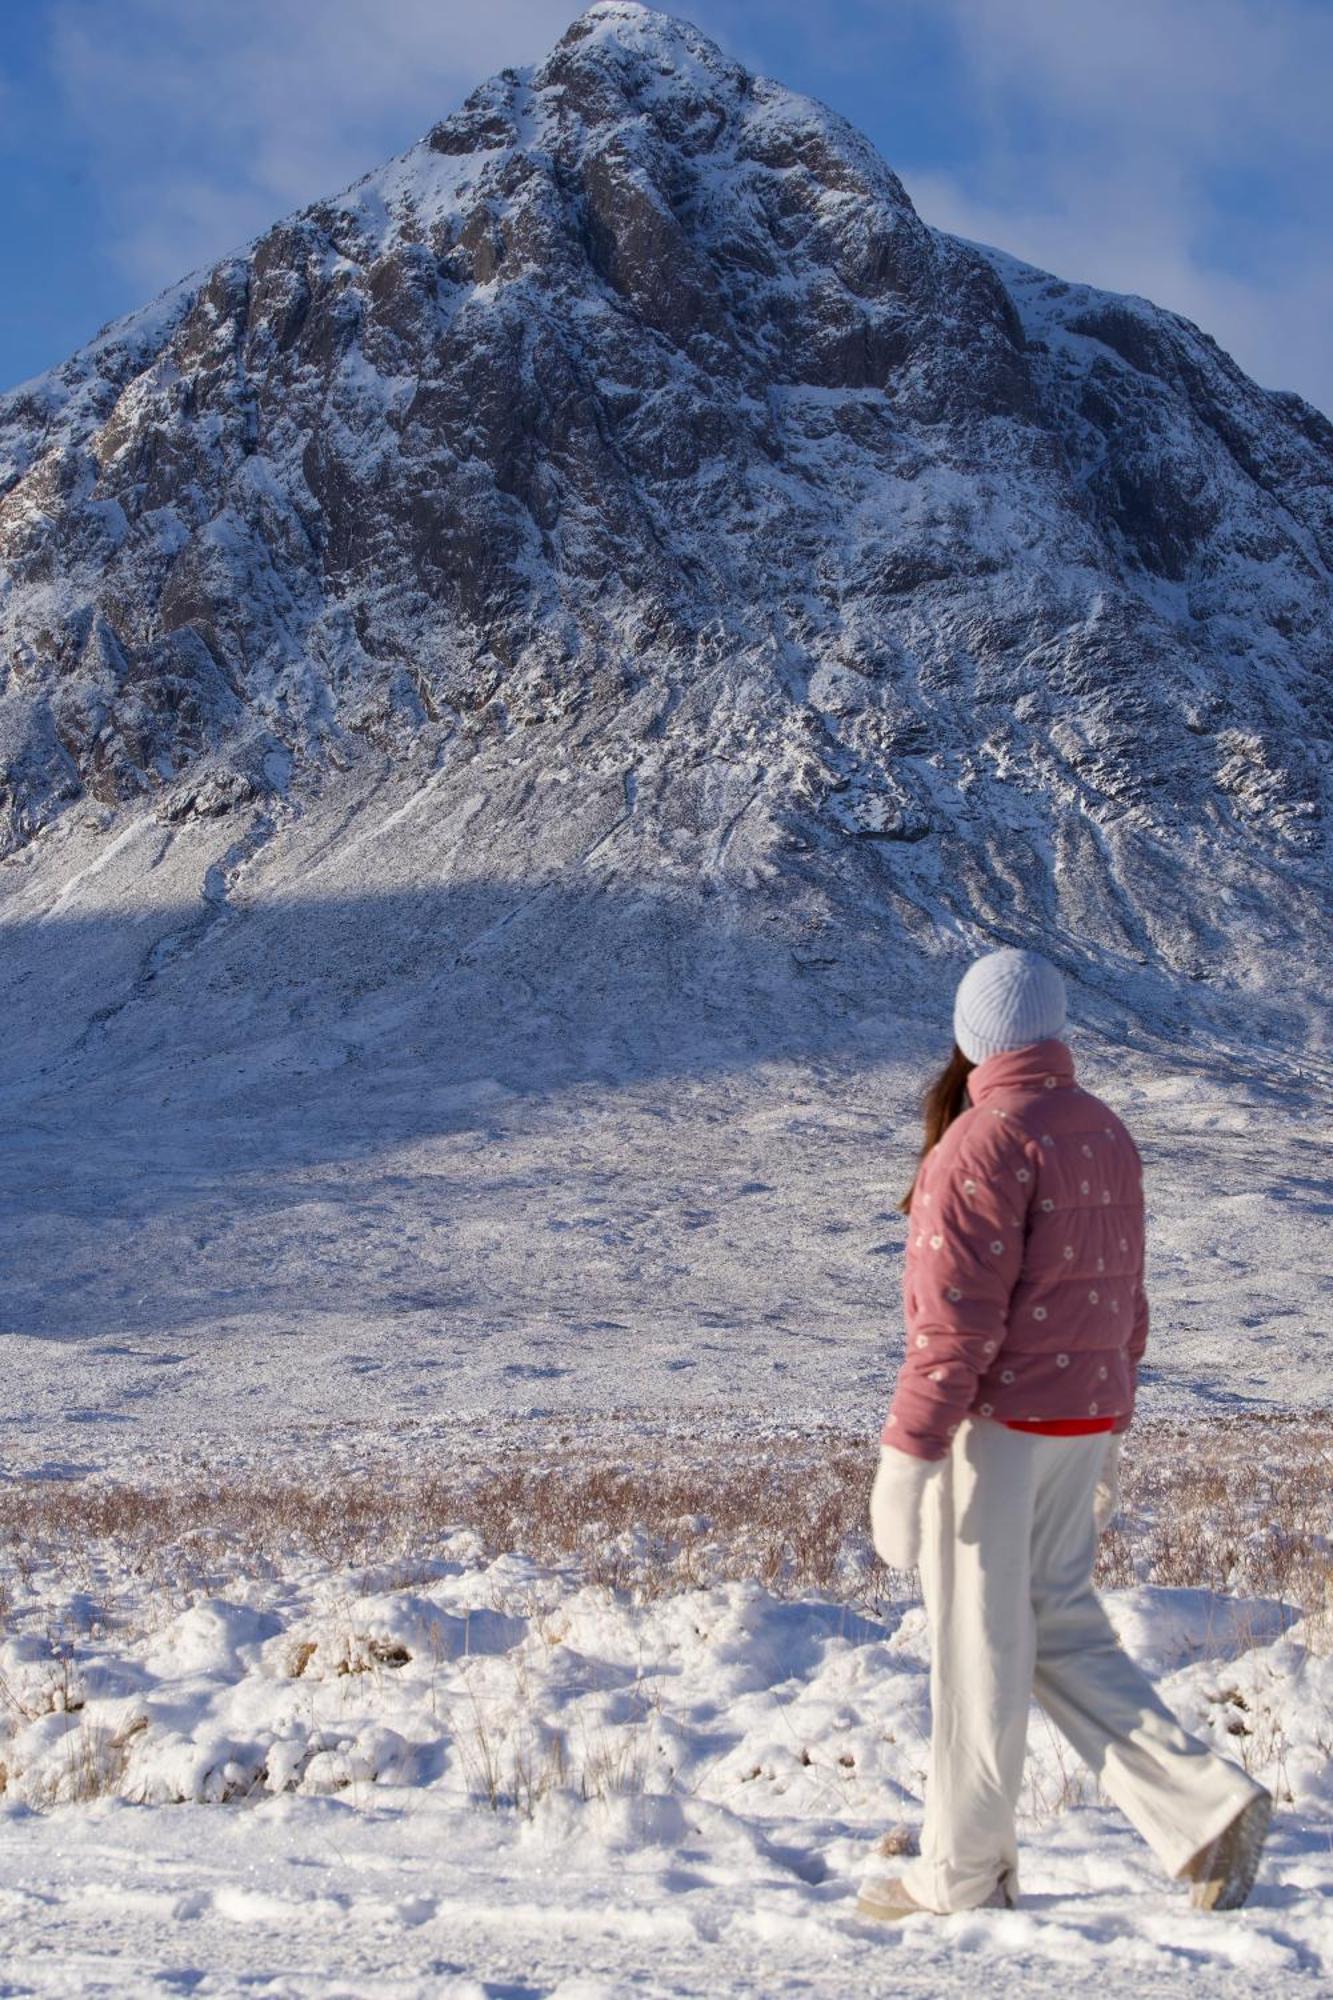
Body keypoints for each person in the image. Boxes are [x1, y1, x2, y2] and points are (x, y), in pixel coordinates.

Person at [859, 946, 1272, 1921]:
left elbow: (951, 1328)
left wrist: (906, 1456)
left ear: (970, 1036)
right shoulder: (1102, 1127)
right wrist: (1112, 1418)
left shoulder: (979, 1141)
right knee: (1049, 1627)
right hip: (1082, 1412)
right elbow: (1125, 1296)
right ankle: (1203, 1808)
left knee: (978, 1649)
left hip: (999, 1426)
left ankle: (960, 1872)